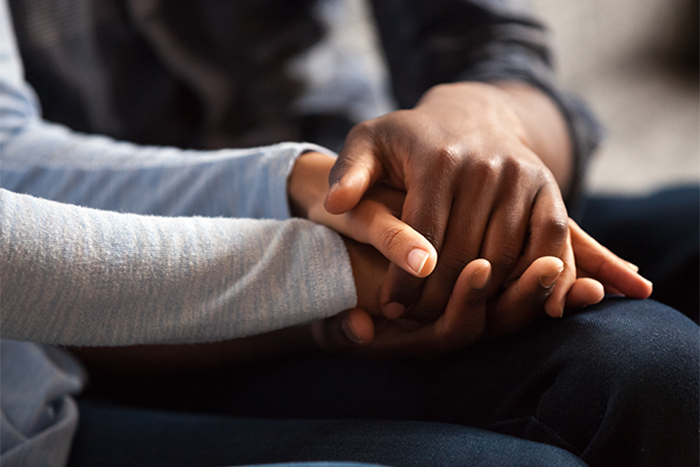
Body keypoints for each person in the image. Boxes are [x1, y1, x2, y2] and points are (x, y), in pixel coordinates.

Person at [0, 1, 699, 466]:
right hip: (118, 310)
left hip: (372, 206)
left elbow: (494, 46)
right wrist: (336, 269)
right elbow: (16, 180)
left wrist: (485, 125)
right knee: (644, 367)